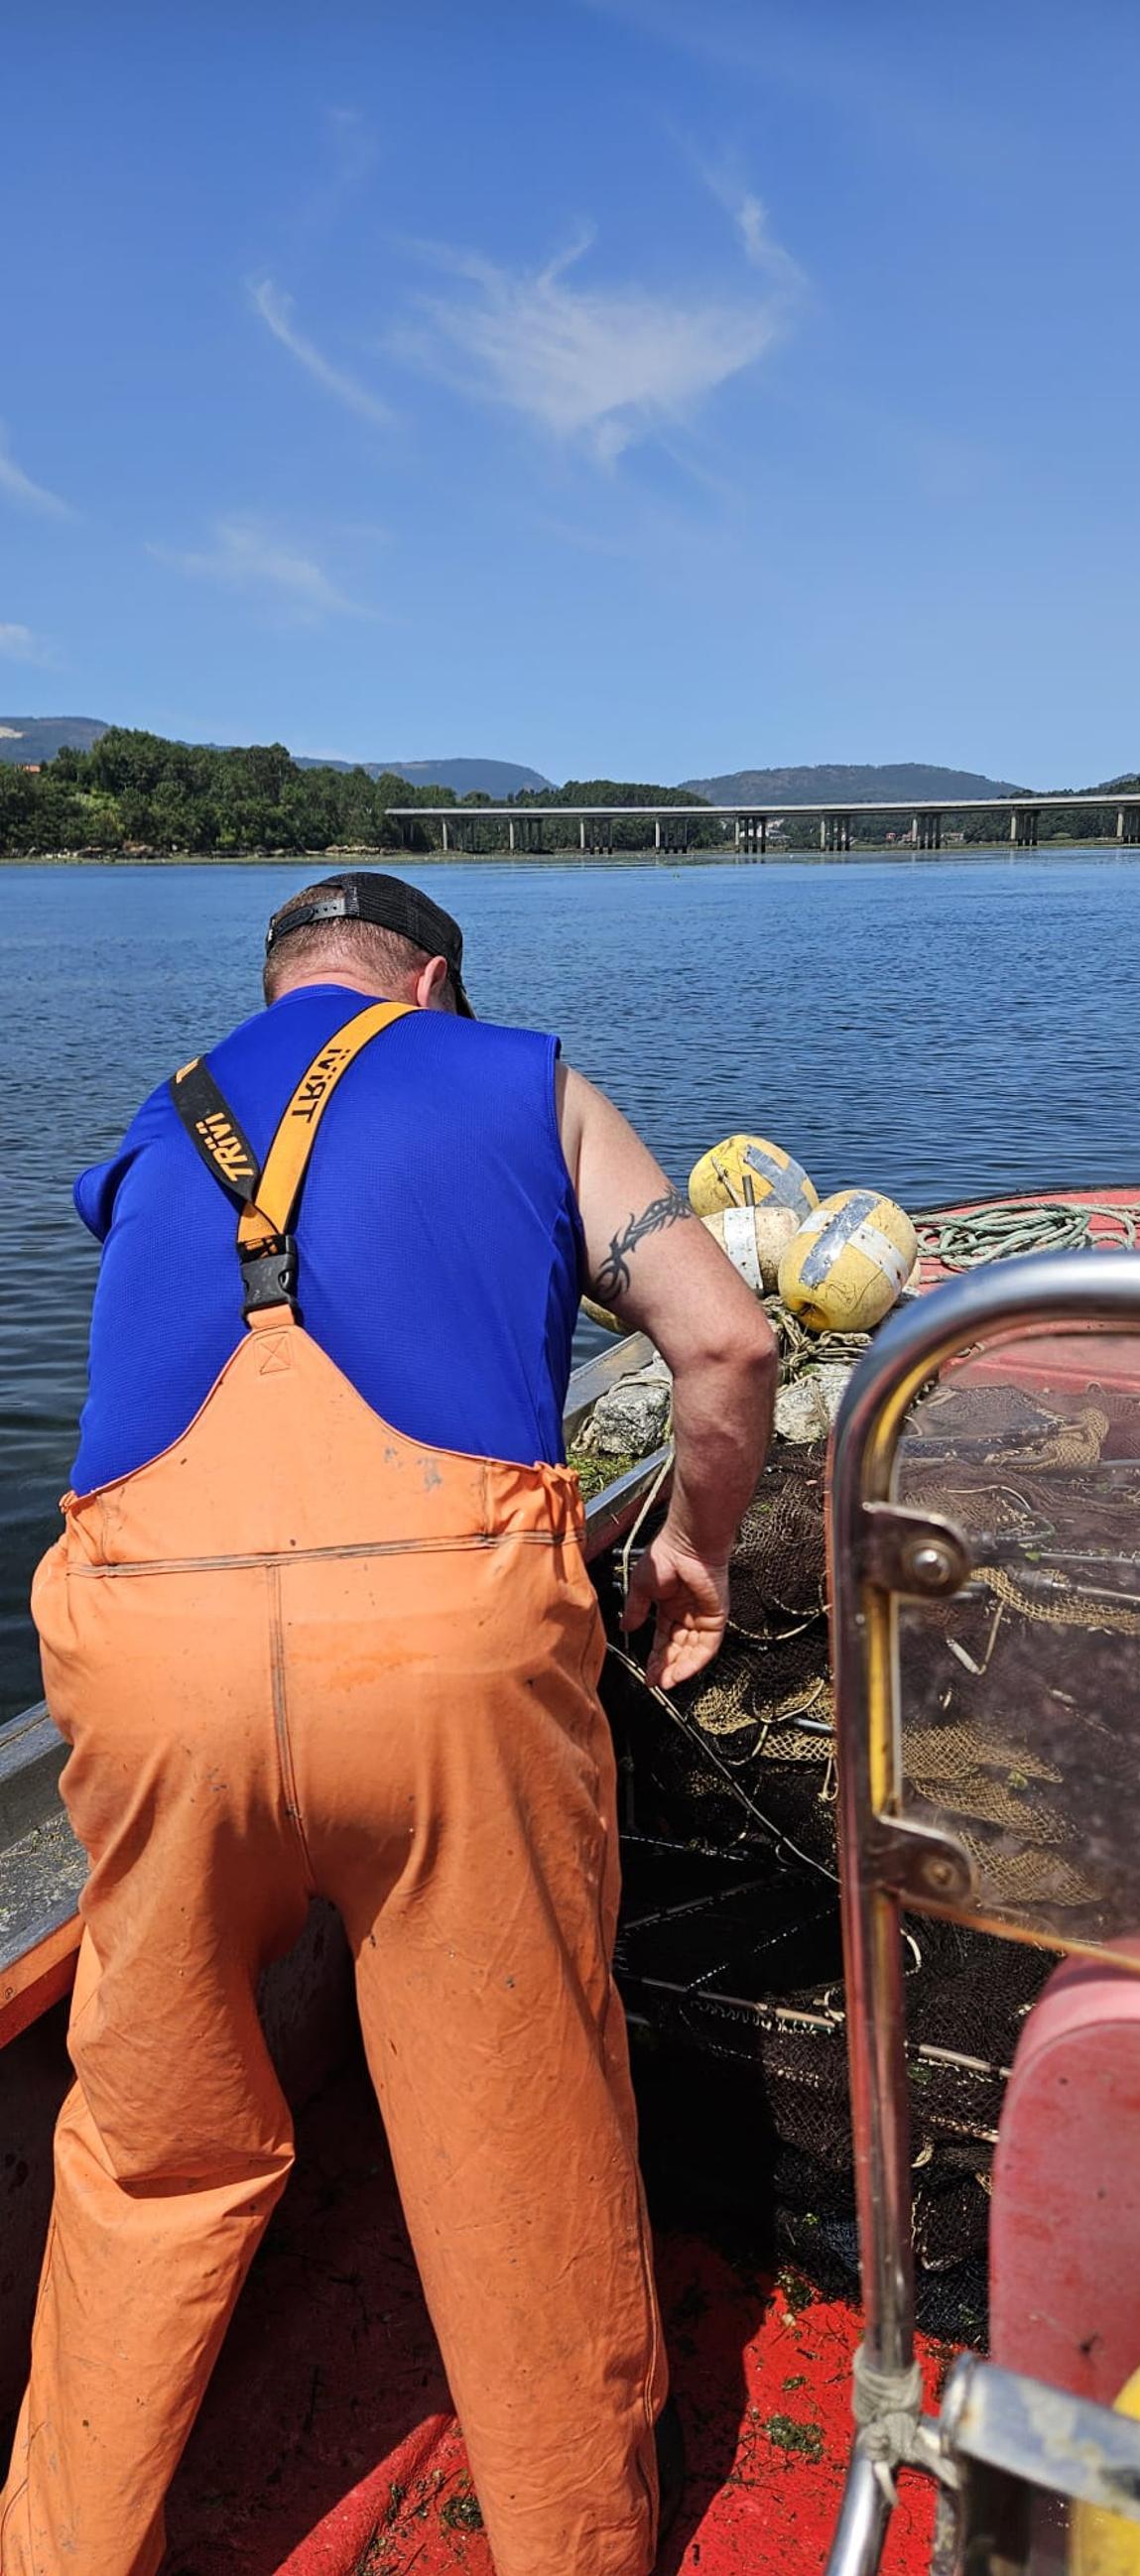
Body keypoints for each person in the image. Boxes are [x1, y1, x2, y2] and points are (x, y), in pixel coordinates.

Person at [1, 871, 778, 2576]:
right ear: (430, 986)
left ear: (281, 987)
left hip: (147, 1669)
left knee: (149, 2152)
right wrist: (694, 1559)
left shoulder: (157, 1125)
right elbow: (723, 1343)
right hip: (439, 1673)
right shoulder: (519, 1076)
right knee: (519, 2141)